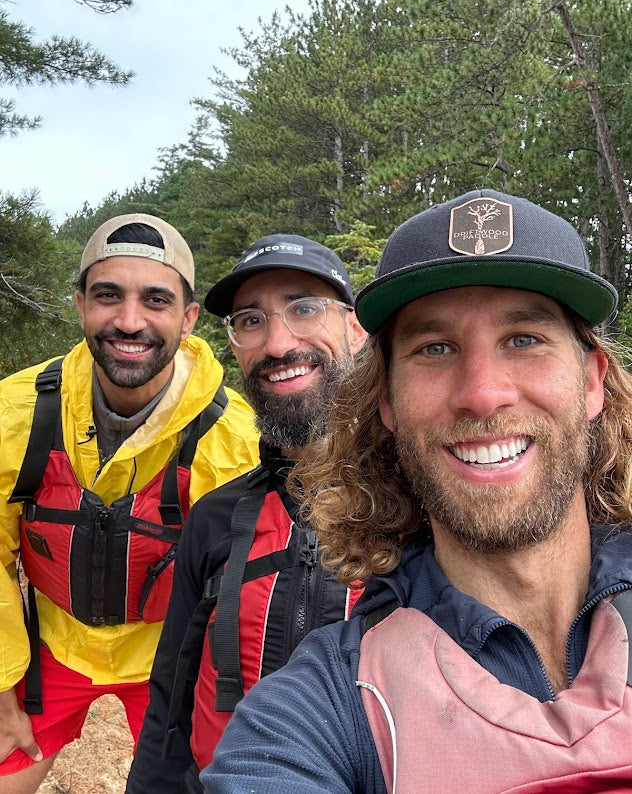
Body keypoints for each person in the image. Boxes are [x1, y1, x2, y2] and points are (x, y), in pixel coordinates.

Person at [200, 190, 632, 793]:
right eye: (434, 349)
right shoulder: (330, 702)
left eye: (524, 339)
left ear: (591, 382)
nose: (482, 394)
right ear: (388, 403)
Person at [0, 213, 259, 793]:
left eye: (156, 300)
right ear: (80, 304)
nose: (129, 320)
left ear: (189, 318)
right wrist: (0, 688)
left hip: (172, 662)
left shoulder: (232, 439)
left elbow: (245, 591)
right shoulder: (15, 414)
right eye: (108, 296)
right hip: (51, 649)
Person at [126, 233, 367, 793]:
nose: (277, 343)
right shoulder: (215, 519)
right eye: (251, 320)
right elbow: (171, 701)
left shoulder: (424, 507)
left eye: (305, 308)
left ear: (356, 328)